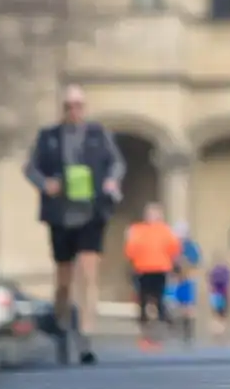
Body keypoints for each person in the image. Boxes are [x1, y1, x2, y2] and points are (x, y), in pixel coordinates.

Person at [22, 84, 125, 365]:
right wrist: (45, 184)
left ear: (85, 108)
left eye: (79, 106)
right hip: (61, 214)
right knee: (64, 279)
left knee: (89, 274)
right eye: (69, 106)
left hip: (92, 211)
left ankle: (86, 337)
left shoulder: (98, 135)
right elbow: (30, 168)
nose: (74, 111)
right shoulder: (48, 137)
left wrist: (111, 180)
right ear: (63, 109)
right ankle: (62, 325)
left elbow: (117, 163)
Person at [124, 202, 180, 350]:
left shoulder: (165, 230)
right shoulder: (138, 230)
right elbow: (130, 250)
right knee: (143, 301)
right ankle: (146, 332)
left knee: (159, 300)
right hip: (142, 269)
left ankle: (162, 329)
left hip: (160, 269)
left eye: (155, 213)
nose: (153, 216)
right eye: (150, 213)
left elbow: (174, 249)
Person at [207, 258, 230, 336]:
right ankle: (220, 329)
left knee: (218, 311)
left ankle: (218, 329)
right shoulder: (225, 271)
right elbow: (227, 282)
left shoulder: (214, 271)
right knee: (222, 312)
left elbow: (211, 282)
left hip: (217, 294)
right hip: (221, 293)